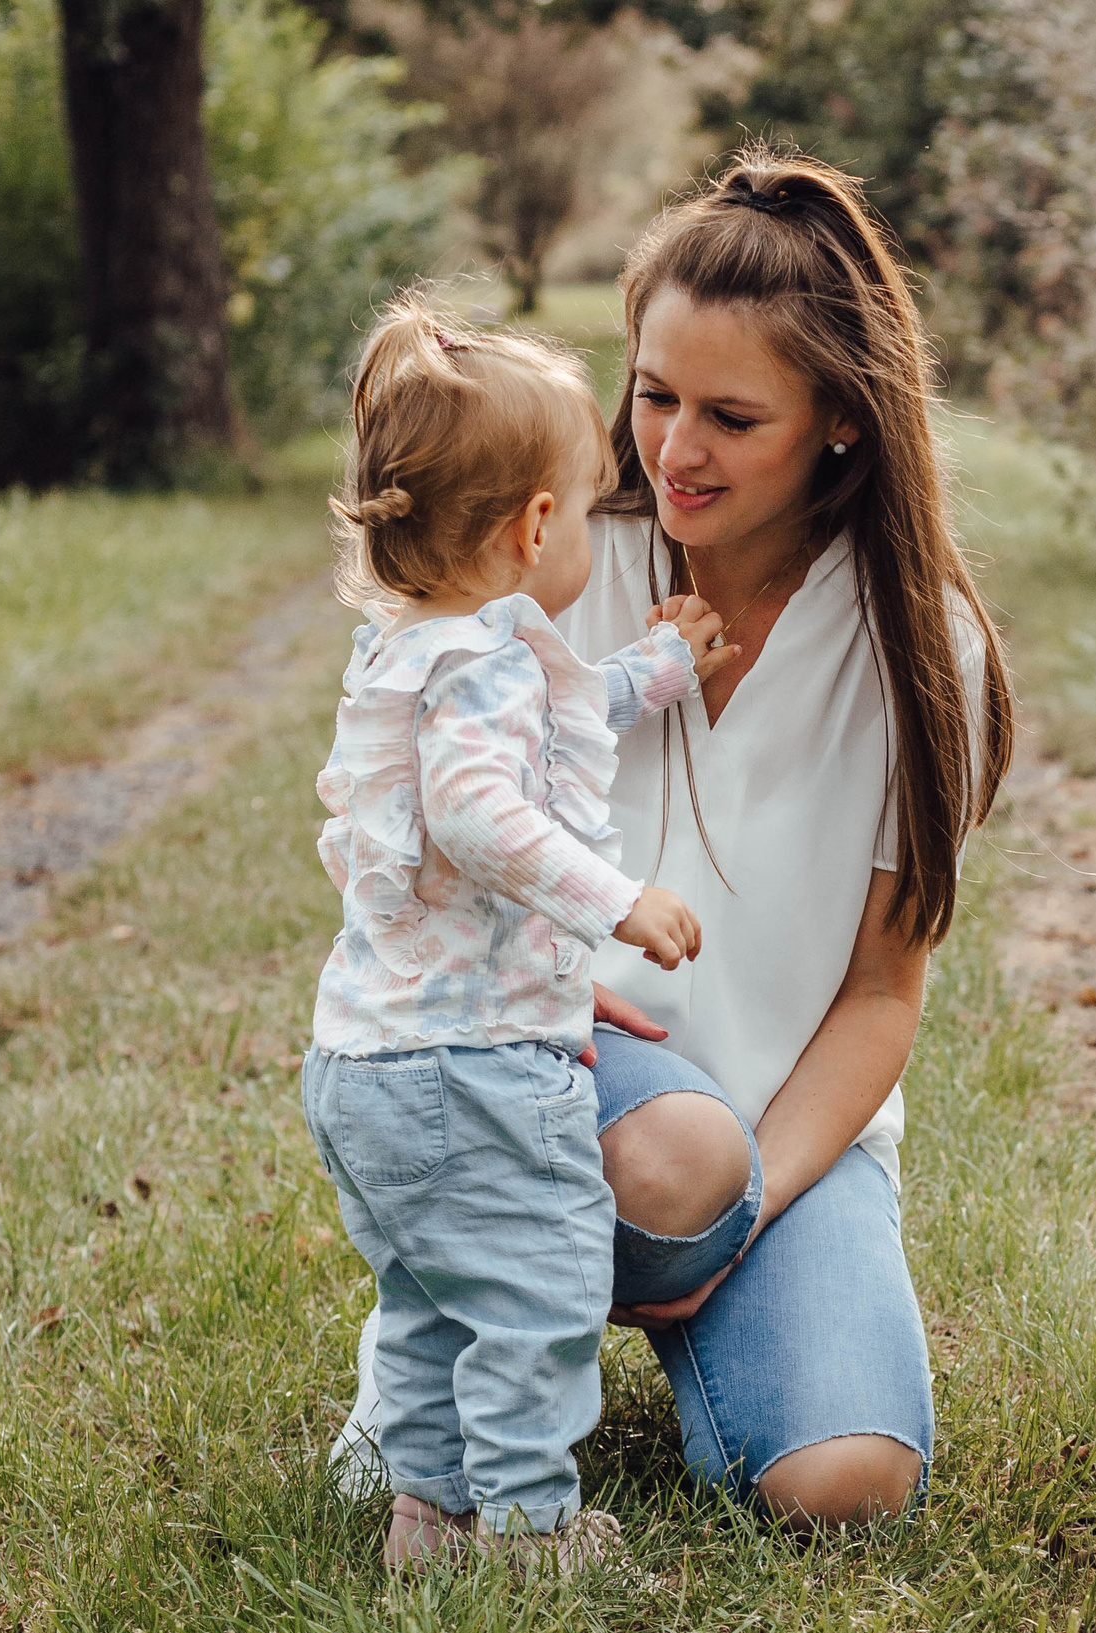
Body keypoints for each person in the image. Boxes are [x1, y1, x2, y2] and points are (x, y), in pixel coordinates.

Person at [334, 147, 1015, 1530]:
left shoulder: (925, 648)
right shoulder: (547, 564)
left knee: (848, 1484)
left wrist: (743, 1222)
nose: (673, 448)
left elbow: (884, 993)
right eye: (652, 395)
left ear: (839, 419)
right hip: (548, 1087)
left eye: (731, 415)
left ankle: (638, 1285)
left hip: (769, 1141)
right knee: (665, 1155)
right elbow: (416, 832)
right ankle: (460, 1351)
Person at [302, 296, 741, 1568]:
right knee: (534, 1293)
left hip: (366, 1066)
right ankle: (529, 1526)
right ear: (538, 526)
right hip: (478, 1065)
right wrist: (618, 897)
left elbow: (550, 717)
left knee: (433, 1300)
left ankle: (428, 1516)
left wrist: (653, 674)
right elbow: (483, 810)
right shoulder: (480, 670)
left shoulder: (418, 649)